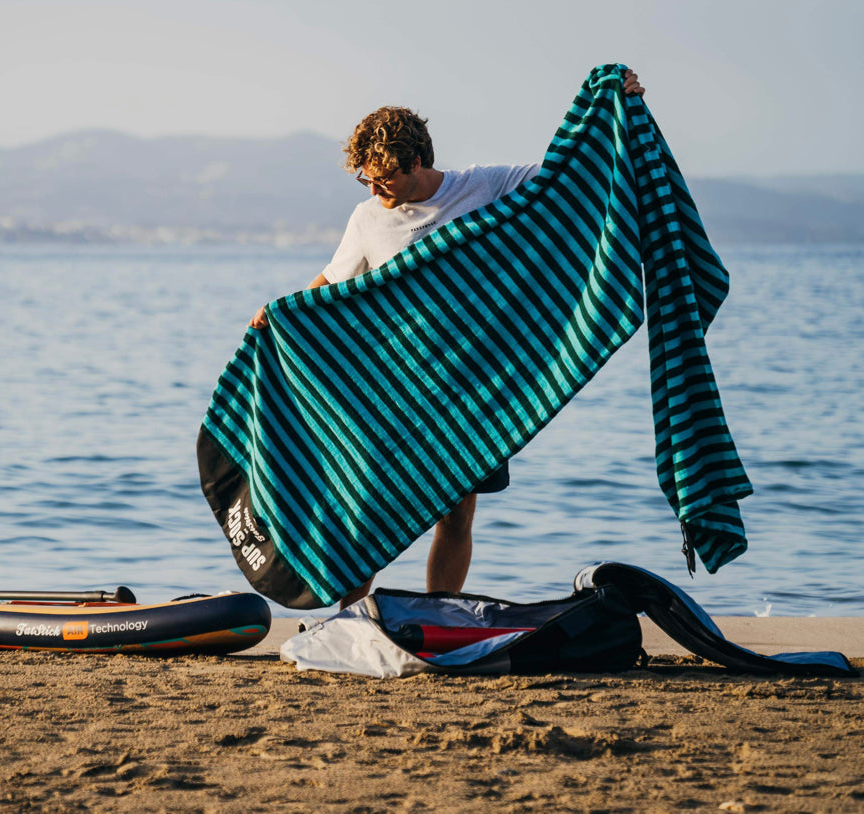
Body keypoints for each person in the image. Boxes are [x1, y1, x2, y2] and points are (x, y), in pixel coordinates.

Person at [250, 70, 645, 608]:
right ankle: (348, 619)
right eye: (364, 179)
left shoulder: (484, 186)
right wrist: (278, 313)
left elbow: (571, 173)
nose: (373, 189)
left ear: (417, 163)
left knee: (456, 512)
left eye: (382, 177)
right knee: (372, 506)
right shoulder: (367, 218)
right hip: (397, 388)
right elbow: (332, 283)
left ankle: (440, 616)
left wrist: (614, 108)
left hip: (469, 388)